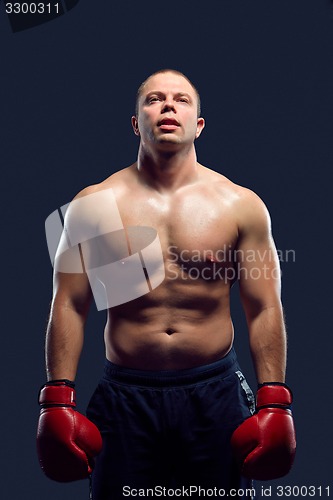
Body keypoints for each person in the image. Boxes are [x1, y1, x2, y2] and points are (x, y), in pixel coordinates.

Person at [37, 69, 296, 500]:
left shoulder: (241, 205)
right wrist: (56, 399)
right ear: (137, 122)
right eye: (155, 99)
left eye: (181, 99)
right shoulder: (94, 204)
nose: (168, 105)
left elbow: (265, 307)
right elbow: (68, 304)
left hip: (214, 392)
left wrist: (275, 400)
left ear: (198, 124)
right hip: (126, 394)